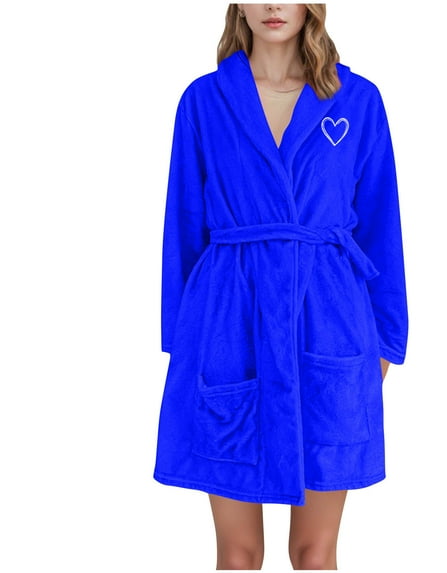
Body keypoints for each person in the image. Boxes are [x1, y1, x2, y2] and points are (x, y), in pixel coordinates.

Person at [153, 3, 408, 570]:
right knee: (238, 554)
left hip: (331, 325)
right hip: (228, 329)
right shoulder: (203, 101)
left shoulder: (358, 100)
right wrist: (183, 344)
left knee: (314, 554)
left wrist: (388, 342)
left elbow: (380, 226)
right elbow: (183, 228)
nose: (273, 5)